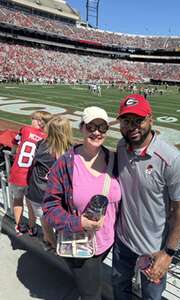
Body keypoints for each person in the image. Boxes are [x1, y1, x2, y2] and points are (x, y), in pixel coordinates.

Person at [112, 94, 180, 300]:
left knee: (152, 297)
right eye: (127, 121)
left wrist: (169, 253)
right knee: (119, 290)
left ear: (150, 119)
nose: (133, 126)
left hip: (154, 249)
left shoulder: (171, 158)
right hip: (123, 242)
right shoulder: (121, 147)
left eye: (138, 120)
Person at [42, 106, 121, 300]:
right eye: (91, 126)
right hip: (80, 245)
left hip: (107, 242)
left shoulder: (114, 159)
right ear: (82, 128)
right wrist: (79, 223)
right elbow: (49, 207)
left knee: (89, 285)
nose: (96, 132)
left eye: (102, 127)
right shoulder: (66, 163)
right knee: (92, 295)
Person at [26, 116, 73, 250]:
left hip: (38, 191)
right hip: (58, 194)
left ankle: (51, 244)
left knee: (45, 222)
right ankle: (56, 245)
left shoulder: (41, 144)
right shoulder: (72, 150)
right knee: (60, 221)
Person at [9, 111, 52, 236]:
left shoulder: (26, 130)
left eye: (33, 119)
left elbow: (14, 142)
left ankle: (19, 225)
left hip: (18, 172)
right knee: (31, 203)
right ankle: (32, 227)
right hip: (32, 176)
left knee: (17, 199)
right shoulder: (45, 138)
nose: (31, 120)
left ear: (39, 122)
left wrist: (13, 152)